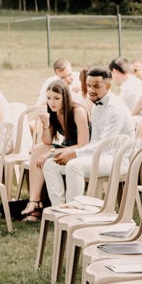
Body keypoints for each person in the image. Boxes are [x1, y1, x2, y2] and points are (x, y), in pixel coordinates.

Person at [42, 66, 138, 206]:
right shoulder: (97, 106)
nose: (91, 90)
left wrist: (74, 154)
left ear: (107, 86)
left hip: (116, 159)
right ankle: (60, 209)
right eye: (89, 85)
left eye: (96, 86)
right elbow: (94, 143)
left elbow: (104, 145)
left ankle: (73, 211)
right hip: (98, 155)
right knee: (50, 165)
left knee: (74, 166)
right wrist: (69, 152)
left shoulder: (114, 108)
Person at [23, 78, 89, 221]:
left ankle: (40, 205)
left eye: (56, 98)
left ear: (65, 97)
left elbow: (84, 144)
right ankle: (34, 200)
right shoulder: (52, 111)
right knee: (38, 149)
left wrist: (51, 152)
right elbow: (47, 141)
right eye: (49, 98)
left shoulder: (78, 111)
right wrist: (46, 124)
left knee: (44, 153)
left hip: (83, 150)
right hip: (67, 146)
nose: (52, 102)